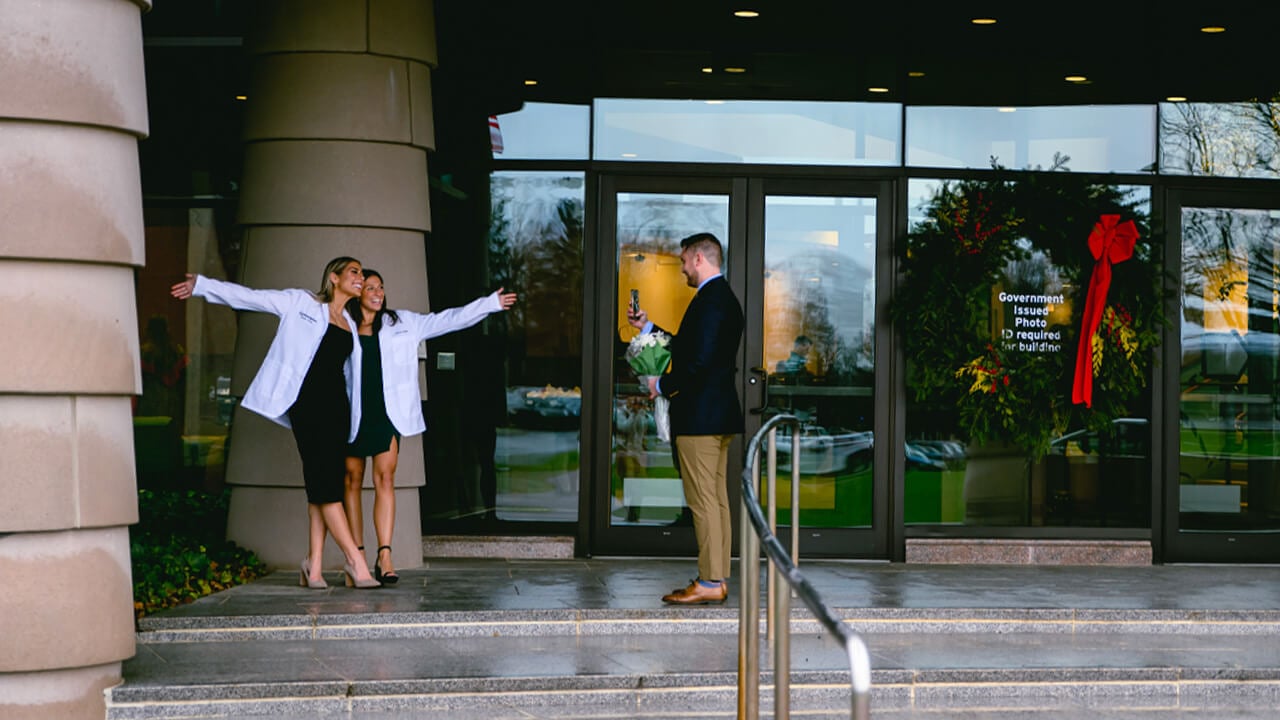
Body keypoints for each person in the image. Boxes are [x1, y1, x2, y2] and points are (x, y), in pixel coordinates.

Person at [170, 258, 380, 590]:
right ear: (334, 277)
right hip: (307, 405)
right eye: (354, 272)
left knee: (321, 484)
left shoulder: (350, 324)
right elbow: (252, 297)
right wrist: (204, 286)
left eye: (362, 273)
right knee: (326, 485)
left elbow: (349, 376)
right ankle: (356, 562)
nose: (361, 277)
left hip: (337, 409)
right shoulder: (301, 302)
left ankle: (313, 567)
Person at [342, 269, 517, 583]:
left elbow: (448, 319)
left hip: (387, 414)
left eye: (381, 287)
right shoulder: (343, 324)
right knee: (352, 481)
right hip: (351, 413)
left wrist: (489, 304)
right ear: (357, 293)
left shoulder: (402, 322)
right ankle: (355, 559)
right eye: (371, 287)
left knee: (385, 479)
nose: (378, 292)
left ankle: (384, 555)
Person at [627, 232, 744, 605]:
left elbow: (698, 363)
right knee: (718, 500)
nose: (681, 269)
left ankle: (710, 582)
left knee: (703, 501)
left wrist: (660, 384)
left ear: (698, 258)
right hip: (718, 415)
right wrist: (647, 327)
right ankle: (717, 578)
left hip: (700, 418)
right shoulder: (720, 299)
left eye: (682, 261)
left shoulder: (711, 301)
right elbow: (690, 346)